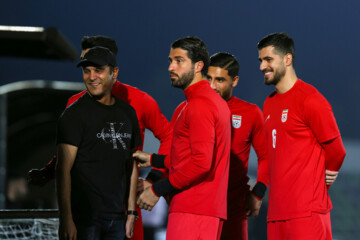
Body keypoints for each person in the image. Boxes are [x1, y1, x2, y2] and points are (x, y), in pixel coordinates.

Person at [27, 35, 172, 240]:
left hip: (123, 210)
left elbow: (170, 136)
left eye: (96, 64)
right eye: (86, 66)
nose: (91, 74)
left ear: (111, 66)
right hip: (86, 211)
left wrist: (153, 178)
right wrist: (49, 171)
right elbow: (69, 150)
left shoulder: (139, 101)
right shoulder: (75, 105)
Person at [135, 36, 231, 240]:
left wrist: (157, 190)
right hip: (198, 209)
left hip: (194, 210)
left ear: (198, 66)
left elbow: (201, 164)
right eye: (170, 61)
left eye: (179, 61)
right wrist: (153, 161)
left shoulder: (200, 104)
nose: (171, 67)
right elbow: (187, 158)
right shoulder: (192, 104)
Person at [257, 32, 346, 240]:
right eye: (261, 61)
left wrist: (323, 181)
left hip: (307, 213)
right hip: (276, 215)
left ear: (287, 59)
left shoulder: (310, 99)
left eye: (268, 59)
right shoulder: (268, 103)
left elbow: (337, 150)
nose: (262, 66)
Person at [56, 46, 141, 239]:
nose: (92, 76)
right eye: (87, 71)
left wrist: (130, 212)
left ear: (114, 72)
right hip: (84, 220)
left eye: (98, 70)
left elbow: (132, 164)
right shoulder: (73, 116)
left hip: (118, 219)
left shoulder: (128, 113)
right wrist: (66, 218)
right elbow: (63, 170)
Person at [207, 52, 269, 240]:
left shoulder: (250, 113)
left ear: (234, 81)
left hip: (233, 208)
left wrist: (258, 194)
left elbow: (266, 156)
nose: (211, 86)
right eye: (208, 78)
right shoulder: (190, 108)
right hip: (200, 207)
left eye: (219, 80)